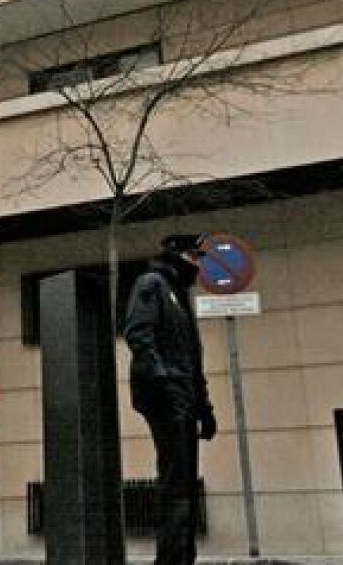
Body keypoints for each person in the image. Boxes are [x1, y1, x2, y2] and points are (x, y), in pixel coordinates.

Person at [123, 234, 218, 565]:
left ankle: (182, 557)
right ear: (177, 255)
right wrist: (161, 381)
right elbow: (138, 333)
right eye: (194, 256)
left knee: (185, 484)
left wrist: (204, 407)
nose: (198, 264)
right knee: (175, 484)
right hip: (166, 396)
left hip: (185, 396)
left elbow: (192, 359)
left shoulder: (180, 296)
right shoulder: (152, 284)